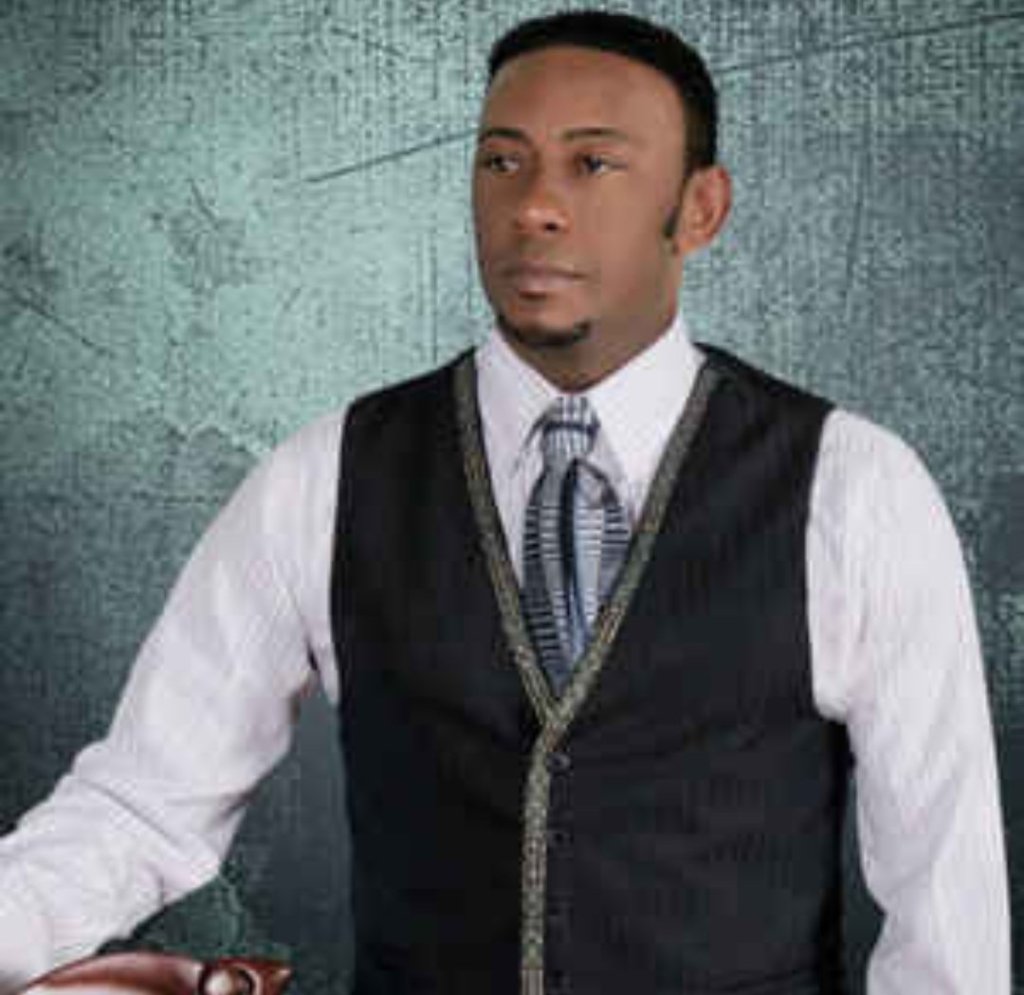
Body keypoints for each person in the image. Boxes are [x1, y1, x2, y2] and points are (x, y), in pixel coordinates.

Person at [0, 10, 1009, 995]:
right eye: (501, 161)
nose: (534, 207)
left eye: (593, 163)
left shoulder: (854, 487)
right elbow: (141, 804)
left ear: (700, 209)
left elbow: (944, 899)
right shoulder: (326, 477)